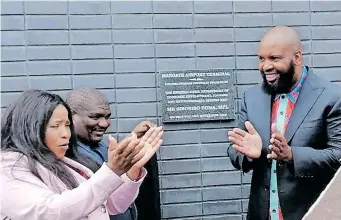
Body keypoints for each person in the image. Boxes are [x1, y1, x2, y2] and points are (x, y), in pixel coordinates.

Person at [227, 25, 341, 220]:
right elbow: (234, 150)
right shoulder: (252, 97)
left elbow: (338, 154)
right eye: (261, 59)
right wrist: (252, 154)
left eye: (275, 58)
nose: (266, 66)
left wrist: (291, 155)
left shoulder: (331, 97)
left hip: (309, 213)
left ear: (297, 57)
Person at [1, 90, 164, 220]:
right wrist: (112, 171)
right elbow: (49, 212)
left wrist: (134, 167)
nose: (66, 133)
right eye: (56, 126)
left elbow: (110, 204)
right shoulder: (9, 167)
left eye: (67, 125)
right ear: (30, 128)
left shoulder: (64, 162)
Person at [65, 88, 158, 220]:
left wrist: (133, 138)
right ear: (71, 115)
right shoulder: (67, 155)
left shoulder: (95, 144)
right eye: (95, 117)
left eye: (107, 117)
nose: (104, 123)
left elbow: (111, 162)